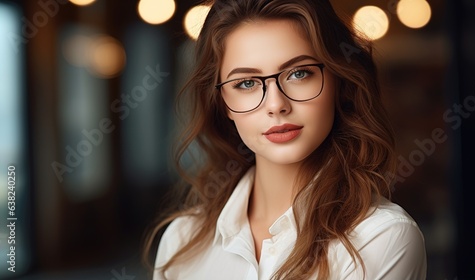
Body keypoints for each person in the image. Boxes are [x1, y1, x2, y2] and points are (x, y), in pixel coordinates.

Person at [146, 0, 427, 279]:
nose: (276, 104)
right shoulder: (181, 241)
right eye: (246, 83)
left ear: (339, 82)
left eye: (298, 73)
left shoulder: (381, 238)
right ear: (223, 104)